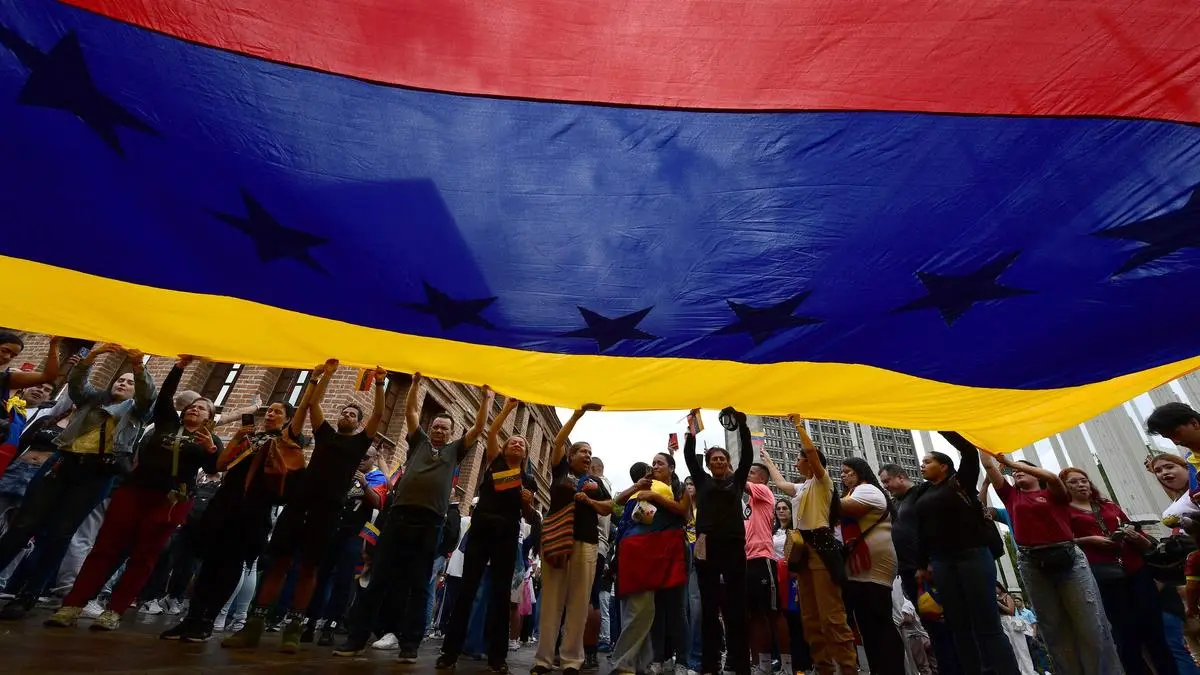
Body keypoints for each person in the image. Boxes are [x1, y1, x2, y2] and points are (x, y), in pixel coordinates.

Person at [45, 355, 220, 631]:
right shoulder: (166, 423)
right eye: (192, 406)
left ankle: (115, 610)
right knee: (106, 546)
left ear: (209, 418)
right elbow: (165, 396)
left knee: (144, 556)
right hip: (135, 491)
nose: (195, 410)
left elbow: (212, 468)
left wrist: (210, 450)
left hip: (170, 501)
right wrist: (178, 368)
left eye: (202, 409)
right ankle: (73, 604)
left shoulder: (211, 440)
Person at [224, 360, 383, 652]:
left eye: (353, 414)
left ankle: (293, 631)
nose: (347, 415)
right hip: (299, 504)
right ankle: (253, 628)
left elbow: (379, 414)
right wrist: (324, 376)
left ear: (359, 423)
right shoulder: (325, 434)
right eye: (344, 412)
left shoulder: (360, 443)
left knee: (309, 568)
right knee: (278, 563)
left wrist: (381, 384)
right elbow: (313, 405)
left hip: (328, 511)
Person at [334, 374, 491, 662]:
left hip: (430, 523)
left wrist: (485, 399)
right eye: (436, 426)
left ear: (451, 433)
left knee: (418, 585)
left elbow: (479, 428)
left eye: (444, 428)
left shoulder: (455, 451)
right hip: (398, 517)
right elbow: (411, 412)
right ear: (430, 429)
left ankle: (410, 644)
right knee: (379, 578)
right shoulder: (418, 441)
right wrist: (416, 385)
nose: (439, 430)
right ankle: (356, 639)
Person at [0, 343, 155, 620]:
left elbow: (148, 394)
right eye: (120, 379)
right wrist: (91, 357)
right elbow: (76, 384)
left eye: (129, 382)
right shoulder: (93, 399)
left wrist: (138, 366)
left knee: (60, 534)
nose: (123, 383)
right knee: (23, 524)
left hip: (96, 474)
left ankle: (29, 594)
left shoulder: (137, 410)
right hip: (63, 463)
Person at [161, 397, 306, 642]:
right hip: (225, 503)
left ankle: (208, 620)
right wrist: (237, 438)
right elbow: (220, 465)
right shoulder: (250, 437)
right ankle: (192, 617)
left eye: (277, 412)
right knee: (209, 563)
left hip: (252, 510)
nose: (270, 415)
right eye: (269, 411)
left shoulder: (287, 445)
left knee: (230, 565)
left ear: (289, 419)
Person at [981, 450, 1121, 675]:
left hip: (1068, 558)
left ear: (1036, 473)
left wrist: (1010, 463)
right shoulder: (1011, 496)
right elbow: (988, 466)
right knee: (1052, 627)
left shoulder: (1055, 493)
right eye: (1013, 472)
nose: (1016, 472)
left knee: (1089, 624)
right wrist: (980, 443)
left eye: (1022, 469)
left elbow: (1053, 478)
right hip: (1032, 562)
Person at [437, 396, 540, 673]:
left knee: (500, 595)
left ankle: (497, 657)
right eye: (513, 442)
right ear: (504, 448)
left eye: (522, 444)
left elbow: (529, 517)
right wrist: (507, 408)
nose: (517, 444)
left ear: (525, 454)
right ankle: (450, 652)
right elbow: (492, 432)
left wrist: (528, 503)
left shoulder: (528, 481)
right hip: (481, 531)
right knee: (467, 590)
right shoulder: (495, 462)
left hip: (507, 536)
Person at [910, 433, 1017, 675]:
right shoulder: (922, 493)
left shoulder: (960, 483)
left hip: (972, 556)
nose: (922, 465)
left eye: (928, 461)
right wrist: (921, 565)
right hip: (941, 562)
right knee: (958, 625)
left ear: (944, 466)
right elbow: (922, 531)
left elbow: (969, 452)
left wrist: (943, 425)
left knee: (987, 623)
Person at [758, 416, 857, 675]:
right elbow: (780, 483)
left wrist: (799, 426)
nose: (795, 463)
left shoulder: (823, 483)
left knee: (832, 615)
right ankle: (823, 667)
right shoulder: (801, 488)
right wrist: (767, 461)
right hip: (802, 555)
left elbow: (812, 453)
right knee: (810, 618)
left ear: (811, 463)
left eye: (799, 459)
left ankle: (848, 668)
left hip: (821, 550)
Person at [1060, 466, 1178, 674]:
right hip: (1105, 574)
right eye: (1074, 482)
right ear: (1064, 487)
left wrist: (1135, 536)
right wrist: (1090, 540)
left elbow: (1129, 524)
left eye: (1084, 480)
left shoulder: (1107, 505)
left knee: (1154, 629)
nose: (1081, 484)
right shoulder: (1063, 512)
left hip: (1135, 568)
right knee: (1126, 634)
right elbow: (1063, 541)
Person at [531, 405, 613, 675]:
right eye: (583, 451)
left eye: (590, 453)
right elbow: (557, 442)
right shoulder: (560, 471)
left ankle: (571, 661)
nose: (587, 456)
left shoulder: (596, 483)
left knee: (578, 604)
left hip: (587, 544)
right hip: (557, 540)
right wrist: (578, 415)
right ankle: (543, 660)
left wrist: (589, 499)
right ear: (571, 455)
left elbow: (608, 508)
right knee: (552, 601)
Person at [609, 454, 687, 675]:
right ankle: (637, 662)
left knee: (667, 609)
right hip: (640, 551)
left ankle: (678, 660)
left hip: (668, 553)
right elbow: (617, 503)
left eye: (660, 463)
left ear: (672, 468)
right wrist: (638, 487)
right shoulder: (643, 487)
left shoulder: (678, 488)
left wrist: (654, 496)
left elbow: (685, 513)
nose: (655, 466)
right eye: (653, 463)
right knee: (645, 609)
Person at [303, 445, 387, 645]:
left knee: (343, 580)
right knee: (321, 575)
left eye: (365, 457)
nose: (361, 460)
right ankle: (309, 621)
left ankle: (331, 624)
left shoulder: (377, 478)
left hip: (355, 534)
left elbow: (378, 502)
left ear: (374, 459)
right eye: (359, 456)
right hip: (333, 529)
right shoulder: (345, 470)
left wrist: (364, 484)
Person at [838, 456, 907, 675]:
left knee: (879, 620)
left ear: (860, 472)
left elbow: (843, 507)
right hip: (858, 568)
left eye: (847, 471)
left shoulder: (867, 490)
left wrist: (817, 491)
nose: (843, 475)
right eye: (841, 472)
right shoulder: (852, 492)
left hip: (875, 565)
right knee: (867, 625)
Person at [745, 463, 794, 675]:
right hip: (748, 561)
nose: (748, 475)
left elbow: (737, 480)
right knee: (755, 615)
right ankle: (764, 665)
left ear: (763, 479)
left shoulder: (764, 491)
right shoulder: (748, 504)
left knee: (774, 613)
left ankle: (787, 666)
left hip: (763, 559)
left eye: (752, 473)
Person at [0, 333, 68, 476]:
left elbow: (48, 376)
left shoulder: (4, 380)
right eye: (5, 350)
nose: (7, 357)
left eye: (13, 355)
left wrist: (54, 345)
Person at [772, 499, 813, 674]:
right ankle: (783, 660)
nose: (781, 511)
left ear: (791, 511)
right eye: (778, 509)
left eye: (785, 508)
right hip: (777, 577)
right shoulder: (772, 532)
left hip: (793, 577)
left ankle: (802, 663)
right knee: (779, 619)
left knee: (796, 619)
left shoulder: (797, 531)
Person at [994, 584, 1038, 675]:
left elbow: (1011, 611)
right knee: (1013, 649)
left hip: (1011, 621)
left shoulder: (1007, 596)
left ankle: (1029, 671)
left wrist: (999, 604)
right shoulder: (995, 598)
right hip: (1002, 623)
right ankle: (1020, 670)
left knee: (1021, 648)